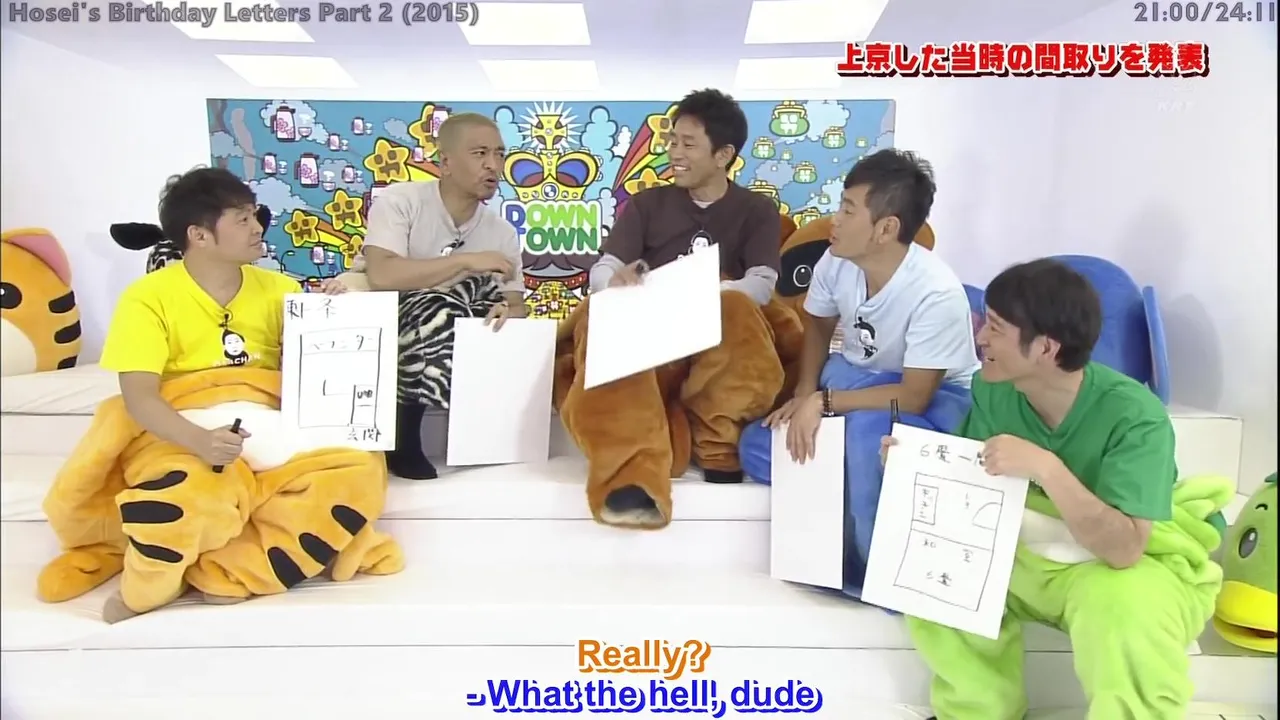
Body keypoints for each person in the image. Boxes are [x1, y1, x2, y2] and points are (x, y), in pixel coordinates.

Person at [39, 167, 402, 624]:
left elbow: (312, 375)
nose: (257, 228)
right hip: (183, 425)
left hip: (271, 423)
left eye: (254, 215)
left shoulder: (281, 289)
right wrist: (200, 441)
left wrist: (331, 314)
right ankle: (150, 584)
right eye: (242, 219)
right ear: (199, 235)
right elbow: (139, 397)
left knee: (357, 472)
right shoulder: (147, 298)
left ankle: (231, 570)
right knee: (191, 491)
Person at [898, 259, 1224, 720]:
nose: (980, 338)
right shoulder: (992, 389)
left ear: (1045, 347)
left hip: (1117, 565)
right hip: (1027, 553)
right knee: (938, 569)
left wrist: (1047, 468)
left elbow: (1126, 549)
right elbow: (971, 481)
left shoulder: (1136, 417)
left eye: (995, 327)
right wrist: (914, 461)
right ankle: (977, 711)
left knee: (1128, 607)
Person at [738, 149, 979, 594]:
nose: (835, 220)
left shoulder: (937, 293)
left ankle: (874, 575)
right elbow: (818, 326)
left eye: (848, 210)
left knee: (869, 433)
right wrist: (803, 393)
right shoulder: (836, 260)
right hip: (852, 380)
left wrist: (825, 402)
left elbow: (914, 397)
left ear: (886, 229)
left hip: (933, 401)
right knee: (760, 444)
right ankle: (848, 487)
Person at [553, 88, 792, 529]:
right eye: (672, 141)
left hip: (712, 336)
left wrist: (701, 293)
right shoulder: (647, 204)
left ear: (723, 155)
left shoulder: (757, 210)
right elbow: (604, 269)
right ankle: (631, 476)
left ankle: (716, 442)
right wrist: (616, 281)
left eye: (688, 144)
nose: (674, 153)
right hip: (649, 336)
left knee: (738, 308)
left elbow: (761, 285)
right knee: (604, 318)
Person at [360, 112, 526, 480]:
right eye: (480, 153)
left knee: (478, 302)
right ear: (446, 162)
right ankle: (402, 435)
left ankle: (491, 436)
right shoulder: (401, 201)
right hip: (388, 312)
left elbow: (516, 302)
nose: (493, 165)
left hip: (454, 317)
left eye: (499, 154)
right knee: (434, 305)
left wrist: (508, 310)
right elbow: (383, 275)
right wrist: (464, 262)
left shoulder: (501, 232)